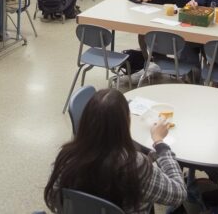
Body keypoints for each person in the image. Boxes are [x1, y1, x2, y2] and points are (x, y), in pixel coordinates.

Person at [44, 88, 186, 213]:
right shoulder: (135, 166)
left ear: (85, 120)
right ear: (125, 123)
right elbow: (178, 194)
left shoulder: (66, 157)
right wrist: (160, 144)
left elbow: (54, 201)